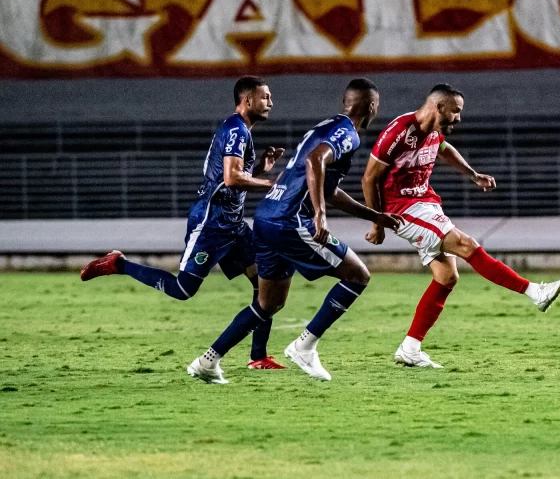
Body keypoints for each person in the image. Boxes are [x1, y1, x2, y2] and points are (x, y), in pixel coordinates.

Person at [187, 78, 403, 383]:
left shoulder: (324, 127)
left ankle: (207, 361)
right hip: (289, 220)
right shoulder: (348, 134)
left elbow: (327, 188)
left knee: (269, 302)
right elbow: (316, 161)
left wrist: (374, 215)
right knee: (358, 276)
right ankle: (304, 346)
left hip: (266, 217)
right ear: (372, 107)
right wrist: (319, 216)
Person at [80, 76, 287, 370]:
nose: (271, 102)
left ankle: (258, 356)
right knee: (183, 289)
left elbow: (228, 176)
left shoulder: (241, 132)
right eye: (265, 97)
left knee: (264, 283)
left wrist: (260, 168)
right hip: (211, 223)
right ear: (248, 100)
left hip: (233, 225)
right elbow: (231, 178)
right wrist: (270, 183)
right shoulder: (236, 130)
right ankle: (119, 263)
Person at [361, 84, 560, 369]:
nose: (458, 117)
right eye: (455, 111)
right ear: (438, 107)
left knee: (446, 277)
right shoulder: (399, 132)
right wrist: (378, 222)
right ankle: (535, 292)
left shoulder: (435, 131)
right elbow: (369, 178)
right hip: (401, 209)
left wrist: (473, 175)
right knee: (465, 244)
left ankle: (410, 348)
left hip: (425, 202)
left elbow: (445, 150)